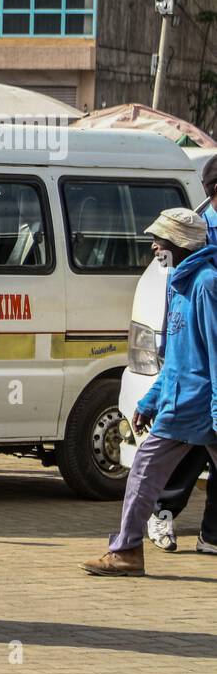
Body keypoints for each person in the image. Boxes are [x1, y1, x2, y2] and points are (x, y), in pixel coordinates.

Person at [82, 208, 217, 576]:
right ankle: (126, 549)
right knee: (144, 470)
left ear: (179, 244)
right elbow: (175, 357)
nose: (155, 246)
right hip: (179, 401)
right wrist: (150, 400)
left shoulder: (205, 283)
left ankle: (126, 551)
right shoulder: (179, 283)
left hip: (194, 406)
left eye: (160, 240)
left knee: (142, 470)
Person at [147, 156, 217, 556]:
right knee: (186, 442)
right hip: (198, 355)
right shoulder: (197, 232)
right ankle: (160, 513)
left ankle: (212, 534)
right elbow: (177, 287)